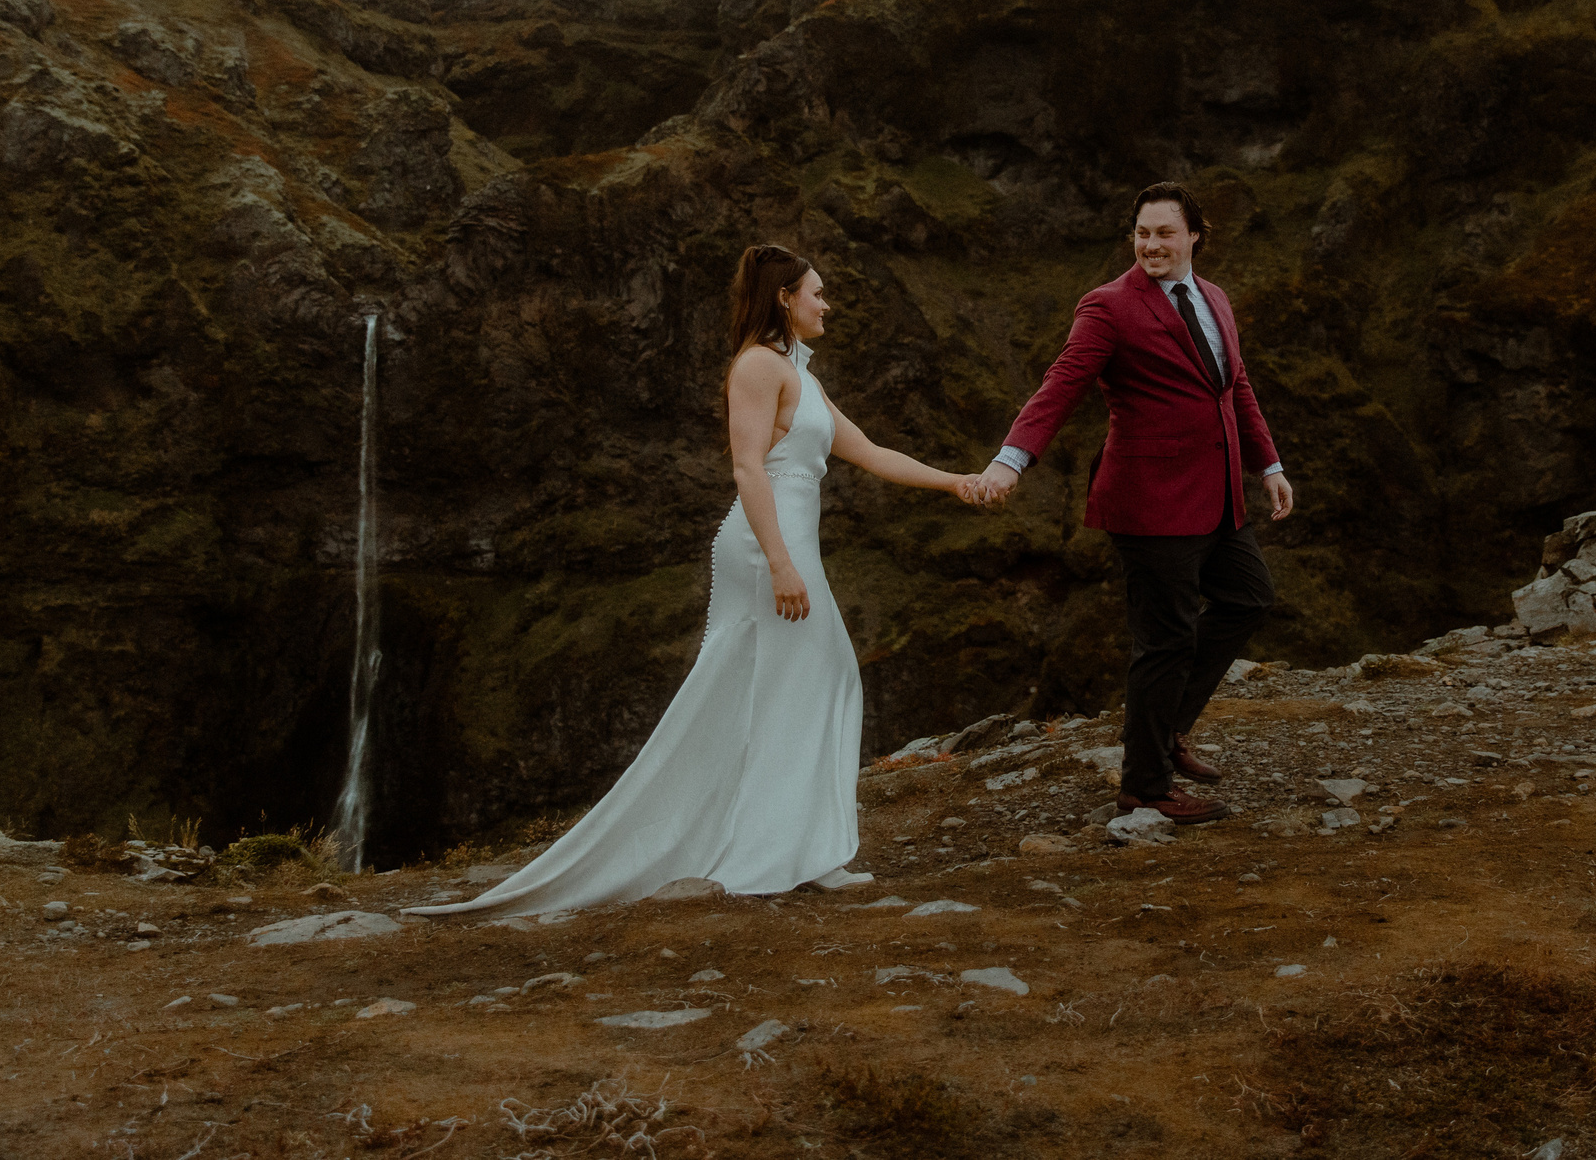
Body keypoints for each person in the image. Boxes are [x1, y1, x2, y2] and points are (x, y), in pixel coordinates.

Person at [410, 244, 980, 917]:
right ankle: (768, 852)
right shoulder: (758, 366)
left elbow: (870, 451)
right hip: (765, 543)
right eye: (817, 293)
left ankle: (800, 848)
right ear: (784, 298)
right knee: (815, 675)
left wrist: (956, 482)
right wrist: (779, 562)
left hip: (787, 541)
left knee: (806, 682)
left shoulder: (802, 373)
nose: (826, 304)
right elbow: (748, 468)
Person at [971, 182, 1293, 826]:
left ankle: (1165, 727)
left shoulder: (1216, 299)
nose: (1151, 245)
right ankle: (1144, 788)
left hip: (1219, 492)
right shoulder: (1109, 306)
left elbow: (1236, 388)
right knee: (1164, 642)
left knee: (1249, 597)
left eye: (1164, 233)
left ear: (1195, 235)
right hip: (1148, 501)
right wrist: (1011, 461)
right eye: (1142, 233)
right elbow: (1061, 384)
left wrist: (1269, 464)